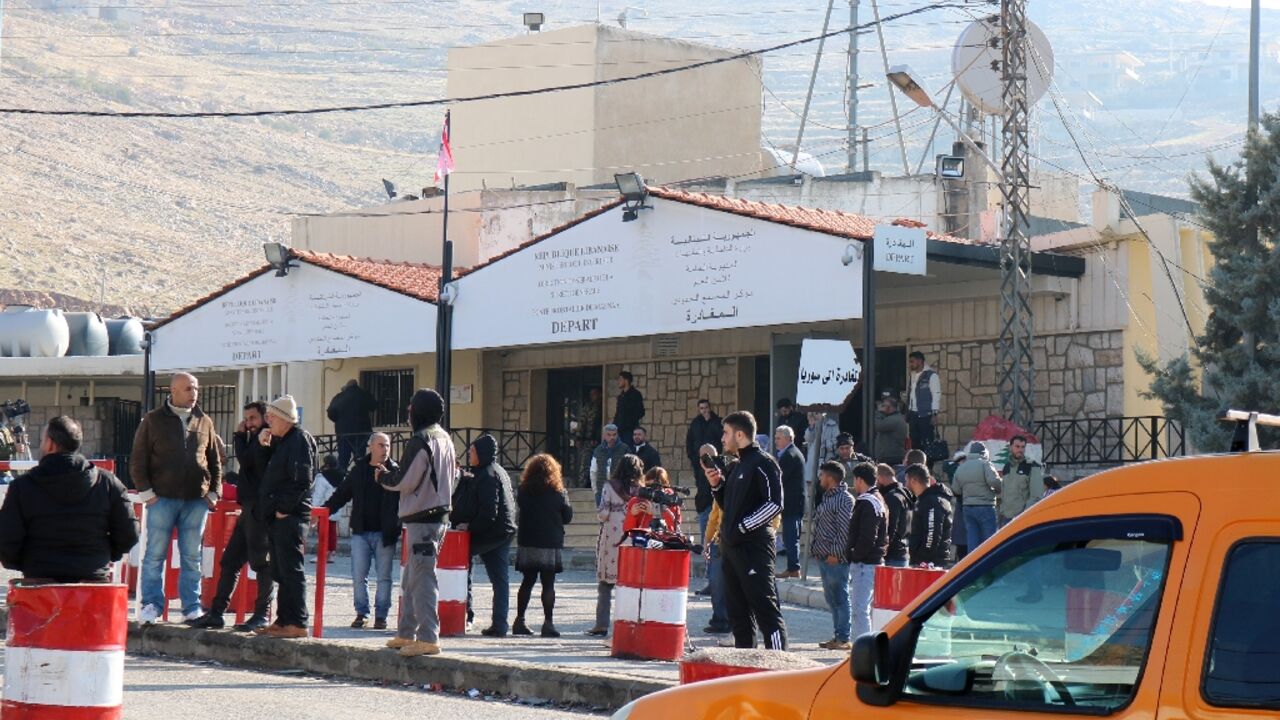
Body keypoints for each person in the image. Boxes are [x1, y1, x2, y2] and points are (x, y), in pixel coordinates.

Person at [132, 372, 222, 625]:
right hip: (162, 498)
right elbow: (138, 459)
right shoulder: (152, 421)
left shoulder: (204, 421)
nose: (194, 393)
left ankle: (191, 607)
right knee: (155, 554)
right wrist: (147, 493)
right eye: (188, 388)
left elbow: (215, 460)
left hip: (196, 500)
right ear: (173, 391)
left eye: (195, 388)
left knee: (192, 556)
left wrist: (214, 493)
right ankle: (151, 605)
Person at [0, 416, 138, 582]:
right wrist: (104, 555)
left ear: (50, 444)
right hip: (93, 586)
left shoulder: (22, 487)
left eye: (43, 440)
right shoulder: (107, 483)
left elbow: (6, 538)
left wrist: (26, 563)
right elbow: (129, 533)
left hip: (39, 586)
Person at [380, 389, 455, 657]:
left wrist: (382, 476)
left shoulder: (420, 439)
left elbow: (405, 480)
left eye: (411, 408)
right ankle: (406, 632)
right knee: (412, 576)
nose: (408, 412)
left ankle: (427, 637)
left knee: (422, 578)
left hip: (423, 517)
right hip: (437, 516)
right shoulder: (444, 437)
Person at [704, 411, 788, 650]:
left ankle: (778, 667)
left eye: (726, 433)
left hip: (754, 549)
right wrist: (716, 485)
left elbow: (774, 504)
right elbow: (728, 506)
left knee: (766, 612)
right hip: (731, 550)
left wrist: (742, 527)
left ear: (740, 434)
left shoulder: (764, 463)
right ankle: (746, 671)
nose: (722, 438)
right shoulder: (735, 466)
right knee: (738, 616)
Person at [189, 401, 274, 631]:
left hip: (260, 508)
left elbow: (248, 461)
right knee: (230, 562)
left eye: (253, 418)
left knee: (261, 564)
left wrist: (239, 436)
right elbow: (246, 461)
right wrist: (243, 437)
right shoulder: (253, 439)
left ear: (265, 418)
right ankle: (216, 612)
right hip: (247, 508)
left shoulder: (268, 439)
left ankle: (262, 614)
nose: (249, 423)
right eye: (246, 419)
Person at [320, 433, 401, 631]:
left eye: (388, 446)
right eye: (381, 445)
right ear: (371, 447)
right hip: (361, 532)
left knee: (384, 577)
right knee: (358, 575)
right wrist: (324, 512)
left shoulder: (396, 470)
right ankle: (361, 613)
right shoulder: (359, 469)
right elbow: (342, 494)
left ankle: (381, 616)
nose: (385, 449)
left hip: (385, 532)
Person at [254, 395, 316, 640]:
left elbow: (302, 478)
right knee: (280, 570)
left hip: (290, 516)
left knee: (291, 569)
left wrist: (284, 508)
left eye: (271, 417)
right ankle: (284, 620)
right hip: (277, 515)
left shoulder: (299, 440)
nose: (267, 422)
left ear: (284, 418)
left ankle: (298, 621)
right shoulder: (284, 441)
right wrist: (263, 445)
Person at [451, 434, 516, 638]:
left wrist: (469, 526)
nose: (469, 454)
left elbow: (489, 511)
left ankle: (477, 618)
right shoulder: (496, 471)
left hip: (491, 535)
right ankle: (498, 623)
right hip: (500, 532)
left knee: (466, 572)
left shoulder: (487, 475)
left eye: (472, 451)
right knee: (499, 581)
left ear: (481, 453)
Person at [513, 454, 573, 638]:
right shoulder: (559, 493)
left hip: (528, 541)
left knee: (527, 582)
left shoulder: (523, 491)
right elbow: (568, 517)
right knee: (548, 584)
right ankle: (548, 623)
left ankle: (520, 620)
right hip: (549, 542)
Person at [588, 454, 643, 637]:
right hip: (632, 536)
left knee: (605, 585)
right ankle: (628, 623)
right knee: (628, 585)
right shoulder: (640, 490)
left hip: (612, 537)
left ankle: (601, 624)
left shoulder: (609, 486)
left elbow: (603, 513)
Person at [811, 461, 854, 650]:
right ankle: (837, 636)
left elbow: (844, 530)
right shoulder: (828, 497)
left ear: (830, 477)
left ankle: (843, 638)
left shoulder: (844, 499)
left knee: (840, 598)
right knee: (832, 599)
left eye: (822, 475)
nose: (819, 479)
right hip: (823, 557)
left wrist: (835, 553)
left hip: (835, 559)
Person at [845, 462, 888, 639]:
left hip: (865, 563)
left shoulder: (867, 502)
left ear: (859, 480)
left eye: (855, 480)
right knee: (867, 610)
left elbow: (867, 535)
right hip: (874, 560)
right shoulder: (879, 499)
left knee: (860, 610)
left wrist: (855, 555)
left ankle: (862, 651)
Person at [698, 444, 732, 636]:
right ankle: (720, 619)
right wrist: (707, 540)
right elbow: (713, 517)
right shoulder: (720, 490)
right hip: (720, 541)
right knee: (716, 583)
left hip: (737, 541)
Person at [685, 400, 723, 546]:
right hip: (699, 463)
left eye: (706, 408)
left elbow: (720, 438)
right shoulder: (695, 423)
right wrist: (694, 458)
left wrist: (710, 421)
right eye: (701, 408)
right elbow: (690, 441)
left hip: (714, 462)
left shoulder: (717, 422)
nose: (704, 410)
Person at [953, 441, 1002, 551]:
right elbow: (994, 481)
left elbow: (956, 489)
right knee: (990, 541)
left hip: (968, 507)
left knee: (972, 539)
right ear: (984, 453)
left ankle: (974, 563)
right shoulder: (985, 464)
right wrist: (998, 490)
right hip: (986, 506)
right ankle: (990, 565)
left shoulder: (961, 467)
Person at [773, 425, 806, 579]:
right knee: (790, 537)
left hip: (792, 503)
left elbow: (779, 478)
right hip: (793, 502)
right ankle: (793, 567)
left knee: (791, 537)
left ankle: (794, 568)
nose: (776, 441)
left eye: (779, 438)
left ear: (788, 439)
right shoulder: (790, 453)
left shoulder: (790, 455)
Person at [905, 463, 953, 567]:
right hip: (925, 562)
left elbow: (932, 534)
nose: (905, 485)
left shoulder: (932, 502)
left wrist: (923, 559)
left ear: (913, 480)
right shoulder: (924, 500)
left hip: (930, 564)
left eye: (906, 481)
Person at [327, 379, 376, 471]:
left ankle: (340, 482)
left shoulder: (339, 397)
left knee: (343, 459)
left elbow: (330, 413)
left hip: (344, 434)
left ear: (347, 386)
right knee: (360, 458)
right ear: (356, 385)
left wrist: (339, 421)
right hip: (361, 433)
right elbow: (374, 406)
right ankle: (361, 479)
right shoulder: (363, 394)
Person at [998, 435, 1044, 526]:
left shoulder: (1032, 466)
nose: (1020, 449)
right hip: (1006, 519)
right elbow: (1004, 492)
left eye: (1023, 447)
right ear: (1011, 447)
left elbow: (1037, 496)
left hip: (1023, 519)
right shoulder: (1006, 467)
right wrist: (1001, 511)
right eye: (1017, 446)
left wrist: (1023, 514)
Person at [623, 466, 681, 533]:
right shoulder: (637, 501)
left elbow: (676, 526)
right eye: (649, 486)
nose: (653, 491)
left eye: (656, 487)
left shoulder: (670, 500)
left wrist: (657, 512)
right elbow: (627, 530)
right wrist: (632, 515)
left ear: (665, 487)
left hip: (665, 541)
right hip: (643, 541)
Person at [875, 463, 912, 568]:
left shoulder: (891, 497)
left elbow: (890, 528)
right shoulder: (906, 493)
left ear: (880, 477)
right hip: (903, 551)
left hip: (892, 556)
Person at [906, 352, 942, 451]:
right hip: (913, 414)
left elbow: (936, 394)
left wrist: (935, 414)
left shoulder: (931, 375)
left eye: (912, 361)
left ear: (920, 361)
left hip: (925, 414)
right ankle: (917, 464)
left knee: (927, 442)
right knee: (914, 443)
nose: (910, 364)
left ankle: (927, 466)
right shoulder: (912, 375)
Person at [312, 454, 343, 562]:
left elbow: (318, 494)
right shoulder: (341, 476)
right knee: (332, 532)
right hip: (336, 508)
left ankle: (323, 554)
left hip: (323, 508)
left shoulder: (322, 477)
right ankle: (332, 553)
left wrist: (313, 509)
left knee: (323, 533)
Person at [590, 424, 629, 507]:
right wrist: (596, 490)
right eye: (609, 435)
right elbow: (593, 471)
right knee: (603, 518)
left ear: (617, 434)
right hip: (602, 490)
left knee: (619, 517)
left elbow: (630, 470)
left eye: (614, 434)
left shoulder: (625, 449)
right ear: (604, 435)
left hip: (620, 491)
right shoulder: (598, 450)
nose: (612, 437)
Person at [942, 449, 969, 561]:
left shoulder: (953, 468)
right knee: (962, 538)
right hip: (964, 504)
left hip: (961, 504)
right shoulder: (958, 469)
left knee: (960, 537)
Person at [576, 387, 603, 487]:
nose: (592, 396)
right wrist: (579, 438)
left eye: (594, 394)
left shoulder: (604, 406)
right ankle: (583, 484)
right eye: (591, 394)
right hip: (588, 441)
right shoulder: (588, 407)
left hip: (602, 441)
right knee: (585, 463)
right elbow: (582, 423)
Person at [872, 393, 909, 465]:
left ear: (889, 407)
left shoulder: (894, 420)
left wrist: (879, 412)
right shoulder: (894, 417)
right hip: (890, 456)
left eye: (883, 406)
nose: (881, 407)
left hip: (891, 458)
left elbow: (878, 426)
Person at [612, 371, 645, 443]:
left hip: (629, 431)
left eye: (620, 379)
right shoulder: (621, 396)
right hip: (619, 431)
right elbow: (618, 413)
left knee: (628, 452)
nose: (618, 382)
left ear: (626, 381)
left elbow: (641, 412)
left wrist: (628, 422)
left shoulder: (635, 394)